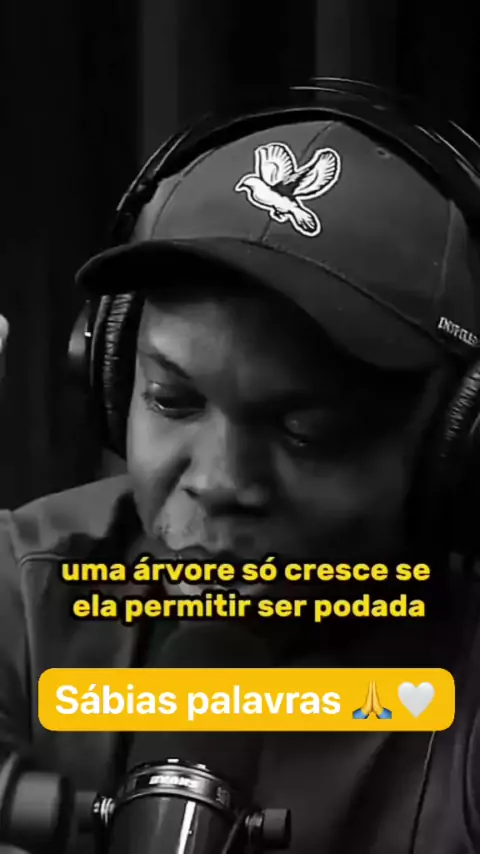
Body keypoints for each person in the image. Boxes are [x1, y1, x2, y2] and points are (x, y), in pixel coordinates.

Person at [1, 88, 480, 854]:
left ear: (452, 442)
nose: (220, 481)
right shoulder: (28, 588)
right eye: (173, 399)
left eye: (306, 431)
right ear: (111, 371)